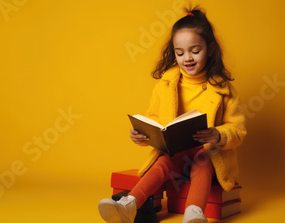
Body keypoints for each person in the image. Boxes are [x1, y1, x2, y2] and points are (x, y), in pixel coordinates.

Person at [98, 6, 247, 223]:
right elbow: (155, 119)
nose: (187, 58)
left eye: (195, 51)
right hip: (176, 154)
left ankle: (193, 213)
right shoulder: (166, 85)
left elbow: (238, 129)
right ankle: (129, 204)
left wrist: (218, 135)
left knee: (203, 160)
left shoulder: (223, 90)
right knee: (163, 162)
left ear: (211, 49)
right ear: (174, 52)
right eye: (180, 53)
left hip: (209, 157)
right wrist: (142, 134)